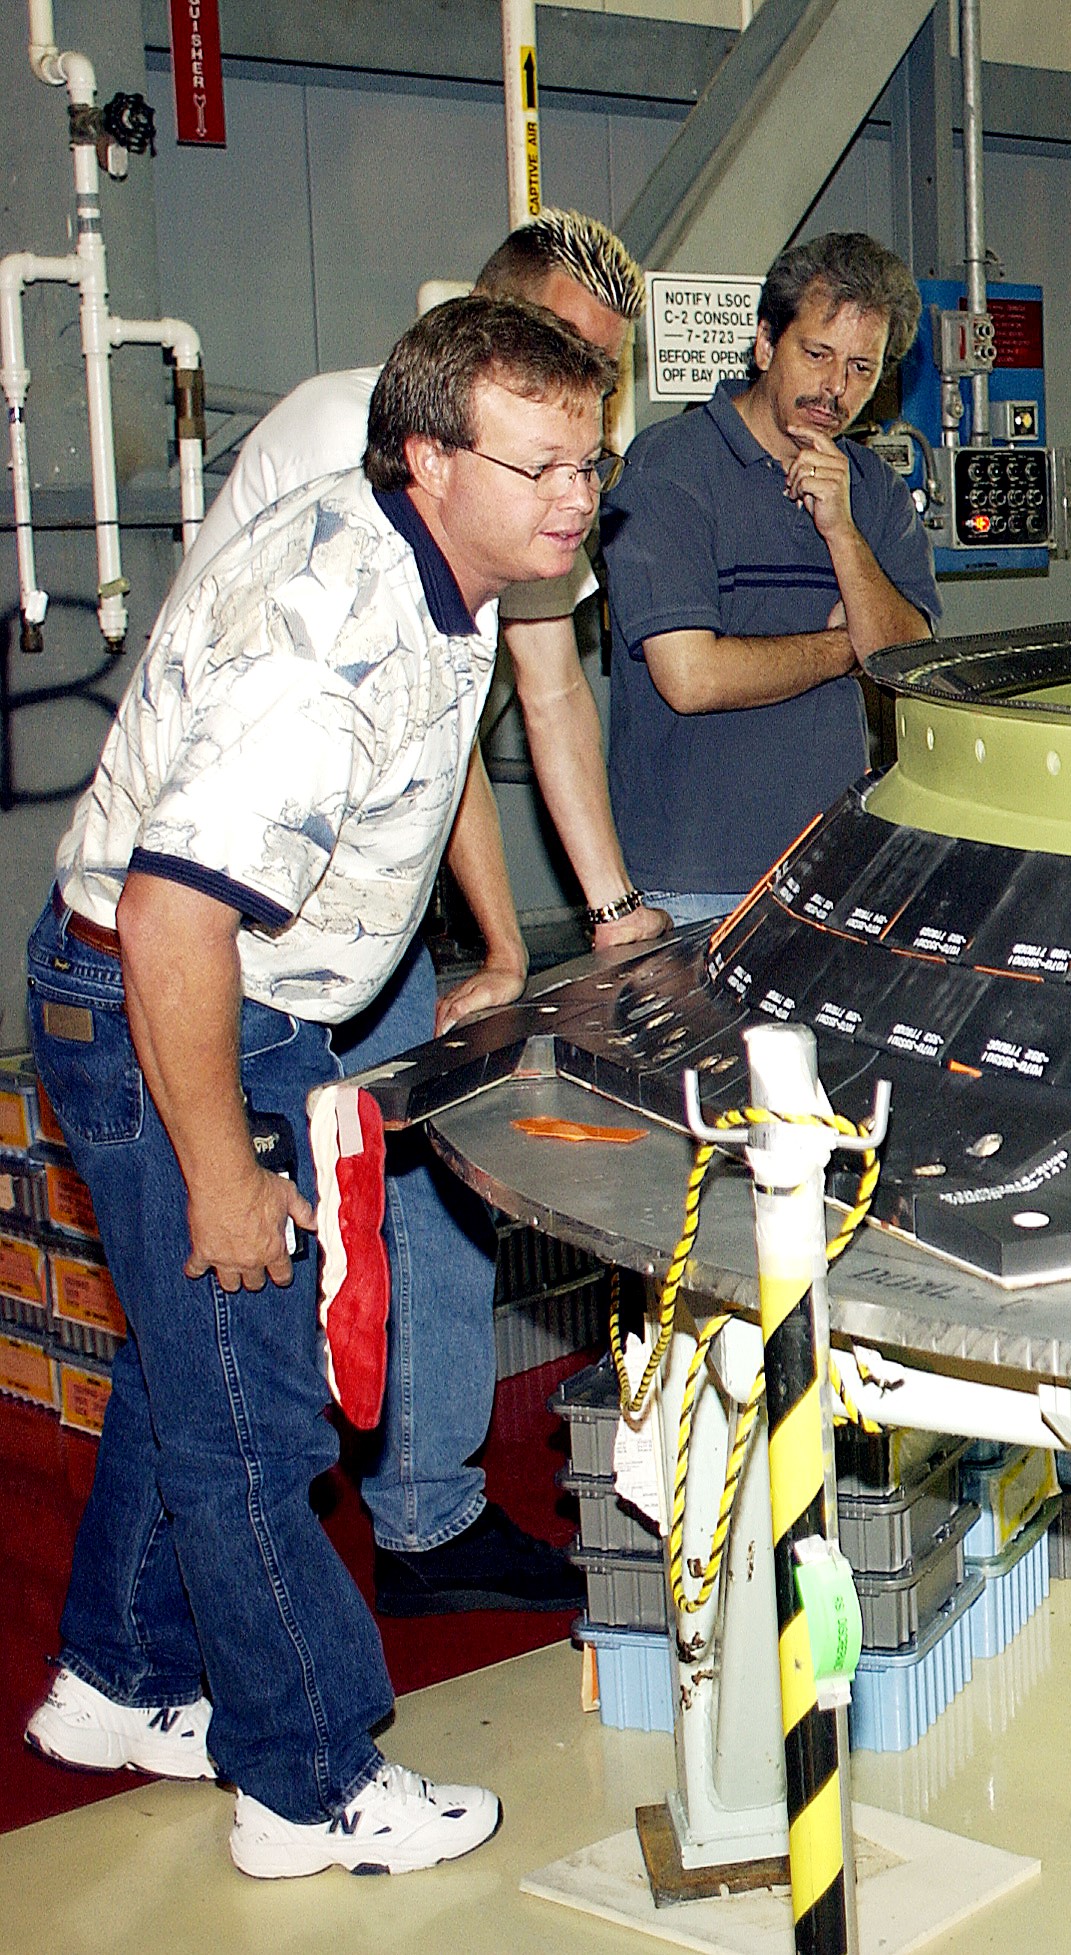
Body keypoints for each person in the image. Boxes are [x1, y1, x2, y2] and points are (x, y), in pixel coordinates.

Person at [18, 297, 616, 1875]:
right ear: (430, 458)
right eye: (540, 462)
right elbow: (170, 917)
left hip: (247, 1000)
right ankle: (308, 1781)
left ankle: (119, 1679)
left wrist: (493, 935)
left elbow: (431, 781)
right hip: (170, 1002)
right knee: (255, 1419)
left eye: (590, 461)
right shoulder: (326, 634)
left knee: (183, 1365)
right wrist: (220, 1168)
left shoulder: (459, 575)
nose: (577, 497)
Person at [164, 210, 662, 1618]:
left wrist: (583, 922)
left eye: (602, 399)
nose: (581, 443)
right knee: (259, 1251)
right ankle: (264, 1604)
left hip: (376, 911)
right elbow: (390, 745)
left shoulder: (527, 498)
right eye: (561, 370)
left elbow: (536, 703)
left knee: (437, 1182)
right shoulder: (355, 451)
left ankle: (427, 1512)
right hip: (243, 911)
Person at [601, 231, 939, 925]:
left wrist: (842, 531)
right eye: (816, 354)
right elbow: (691, 676)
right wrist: (843, 651)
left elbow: (912, 667)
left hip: (836, 868)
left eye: (860, 368)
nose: (834, 387)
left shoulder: (873, 491)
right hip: (694, 884)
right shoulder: (670, 467)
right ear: (764, 345)